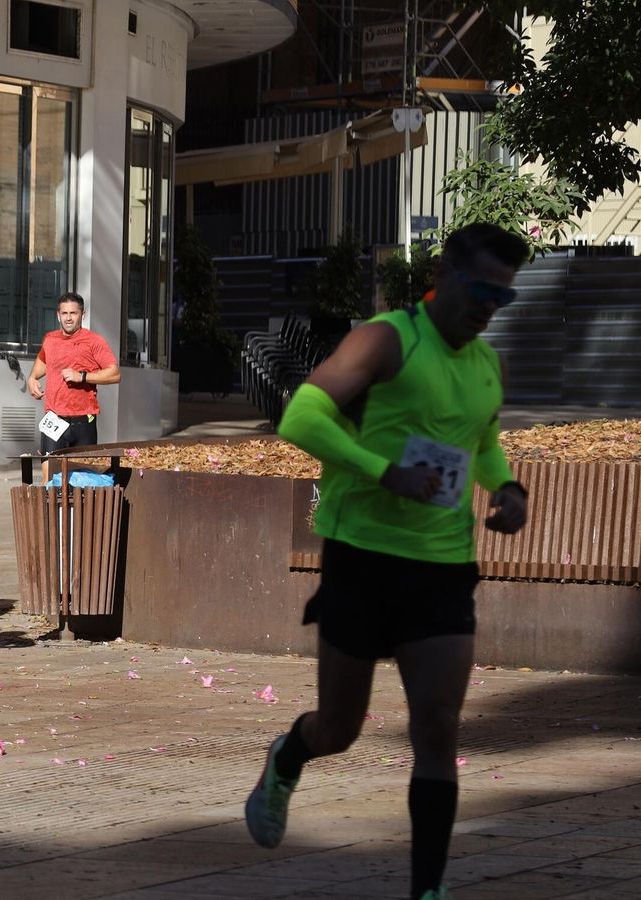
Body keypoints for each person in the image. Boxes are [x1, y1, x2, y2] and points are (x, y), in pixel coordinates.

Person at [245, 223, 531, 900]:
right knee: (338, 729)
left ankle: (427, 891)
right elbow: (301, 418)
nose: (488, 305)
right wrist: (385, 472)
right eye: (480, 287)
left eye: (503, 296)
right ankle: (289, 755)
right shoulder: (386, 339)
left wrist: (509, 487)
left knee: (437, 729)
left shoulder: (489, 364)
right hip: (363, 560)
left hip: (443, 568)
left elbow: (481, 438)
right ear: (444, 274)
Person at [25, 292, 121, 453]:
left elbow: (115, 374)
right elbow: (43, 361)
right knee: (50, 475)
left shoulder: (94, 341)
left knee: (83, 475)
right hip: (54, 419)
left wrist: (82, 376)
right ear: (58, 315)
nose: (68, 318)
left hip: (84, 420)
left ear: (82, 315)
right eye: (64, 313)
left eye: (73, 313)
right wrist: (32, 378)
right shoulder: (50, 339)